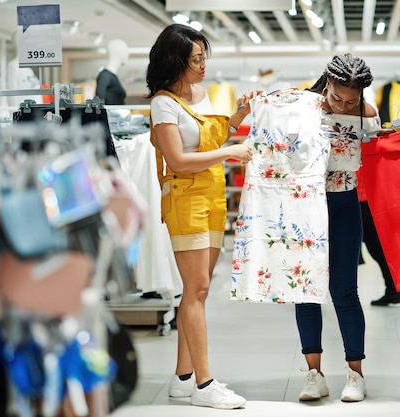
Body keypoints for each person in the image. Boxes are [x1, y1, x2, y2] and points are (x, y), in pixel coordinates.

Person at [145, 23, 260, 410]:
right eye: (196, 60)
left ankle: (182, 379)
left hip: (211, 196)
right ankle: (204, 383)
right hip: (185, 199)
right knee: (196, 291)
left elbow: (210, 138)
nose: (202, 66)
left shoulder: (200, 93)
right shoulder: (162, 104)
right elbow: (178, 159)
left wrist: (239, 114)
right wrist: (230, 153)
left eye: (203, 58)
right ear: (176, 61)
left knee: (198, 291)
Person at [295, 53, 376, 403]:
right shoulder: (302, 108)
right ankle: (314, 375)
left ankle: (355, 375)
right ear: (326, 83)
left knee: (345, 290)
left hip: (345, 203)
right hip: (306, 206)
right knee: (306, 290)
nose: (344, 104)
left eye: (351, 100)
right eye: (337, 97)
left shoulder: (367, 113)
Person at [355, 168, 400, 306]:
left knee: (348, 250)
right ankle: (394, 290)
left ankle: (393, 290)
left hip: (358, 195)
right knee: (377, 248)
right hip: (367, 195)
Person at [96, 39, 129, 105]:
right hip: (112, 115)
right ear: (118, 52)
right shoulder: (105, 76)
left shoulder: (112, 76)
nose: (127, 54)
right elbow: (99, 103)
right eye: (125, 50)